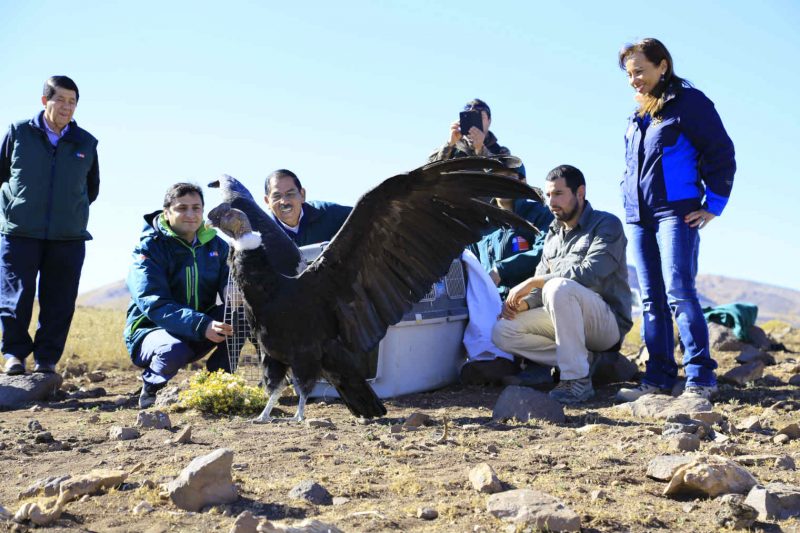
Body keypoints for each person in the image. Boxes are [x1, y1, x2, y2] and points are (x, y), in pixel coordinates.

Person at [615, 38, 736, 402]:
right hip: (639, 215)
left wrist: (713, 204)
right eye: (629, 74)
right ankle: (658, 377)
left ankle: (700, 378)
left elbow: (722, 152)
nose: (634, 80)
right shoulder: (639, 114)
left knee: (679, 293)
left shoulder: (689, 103)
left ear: (662, 66)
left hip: (675, 212)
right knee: (650, 299)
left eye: (640, 71)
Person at [492, 165, 632, 404]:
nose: (551, 202)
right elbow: (539, 290)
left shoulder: (607, 225)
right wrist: (522, 305)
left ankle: (577, 381)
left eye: (558, 194)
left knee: (558, 287)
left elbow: (592, 273)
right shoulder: (552, 235)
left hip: (606, 323)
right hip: (563, 316)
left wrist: (533, 282)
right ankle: (583, 361)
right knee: (503, 330)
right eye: (548, 195)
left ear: (580, 193)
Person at [0, 76, 100, 376]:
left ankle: (46, 361)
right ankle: (15, 356)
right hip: (20, 232)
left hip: (68, 236)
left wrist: (68, 212)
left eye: (73, 102)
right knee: (15, 298)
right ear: (45, 101)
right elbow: (3, 174)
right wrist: (17, 205)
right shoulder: (18, 133)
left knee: (59, 301)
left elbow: (91, 188)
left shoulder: (86, 142)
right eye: (61, 100)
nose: (67, 107)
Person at [124, 183, 232, 408]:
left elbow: (230, 282)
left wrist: (233, 294)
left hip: (199, 329)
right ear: (167, 212)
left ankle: (218, 383)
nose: (191, 215)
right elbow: (154, 302)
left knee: (241, 315)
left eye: (196, 208)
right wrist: (202, 325)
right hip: (151, 332)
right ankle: (152, 387)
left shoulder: (217, 245)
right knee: (173, 349)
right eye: (182, 208)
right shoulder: (148, 248)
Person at [461, 164, 554, 385]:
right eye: (496, 179)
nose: (503, 185)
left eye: (509, 179)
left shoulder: (539, 213)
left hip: (527, 299)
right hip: (489, 304)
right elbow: (470, 259)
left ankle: (538, 366)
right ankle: (498, 364)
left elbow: (545, 250)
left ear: (521, 182)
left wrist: (503, 270)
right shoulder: (481, 222)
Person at [264, 169, 352, 246]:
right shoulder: (261, 235)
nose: (284, 201)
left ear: (302, 195)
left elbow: (363, 215)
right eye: (277, 196)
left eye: (290, 194)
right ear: (267, 202)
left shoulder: (329, 213)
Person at [428, 99, 510, 162]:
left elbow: (502, 175)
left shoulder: (501, 152)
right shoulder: (452, 148)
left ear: (489, 121)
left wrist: (480, 149)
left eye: (480, 117)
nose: (475, 122)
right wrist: (450, 144)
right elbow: (430, 173)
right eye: (470, 117)